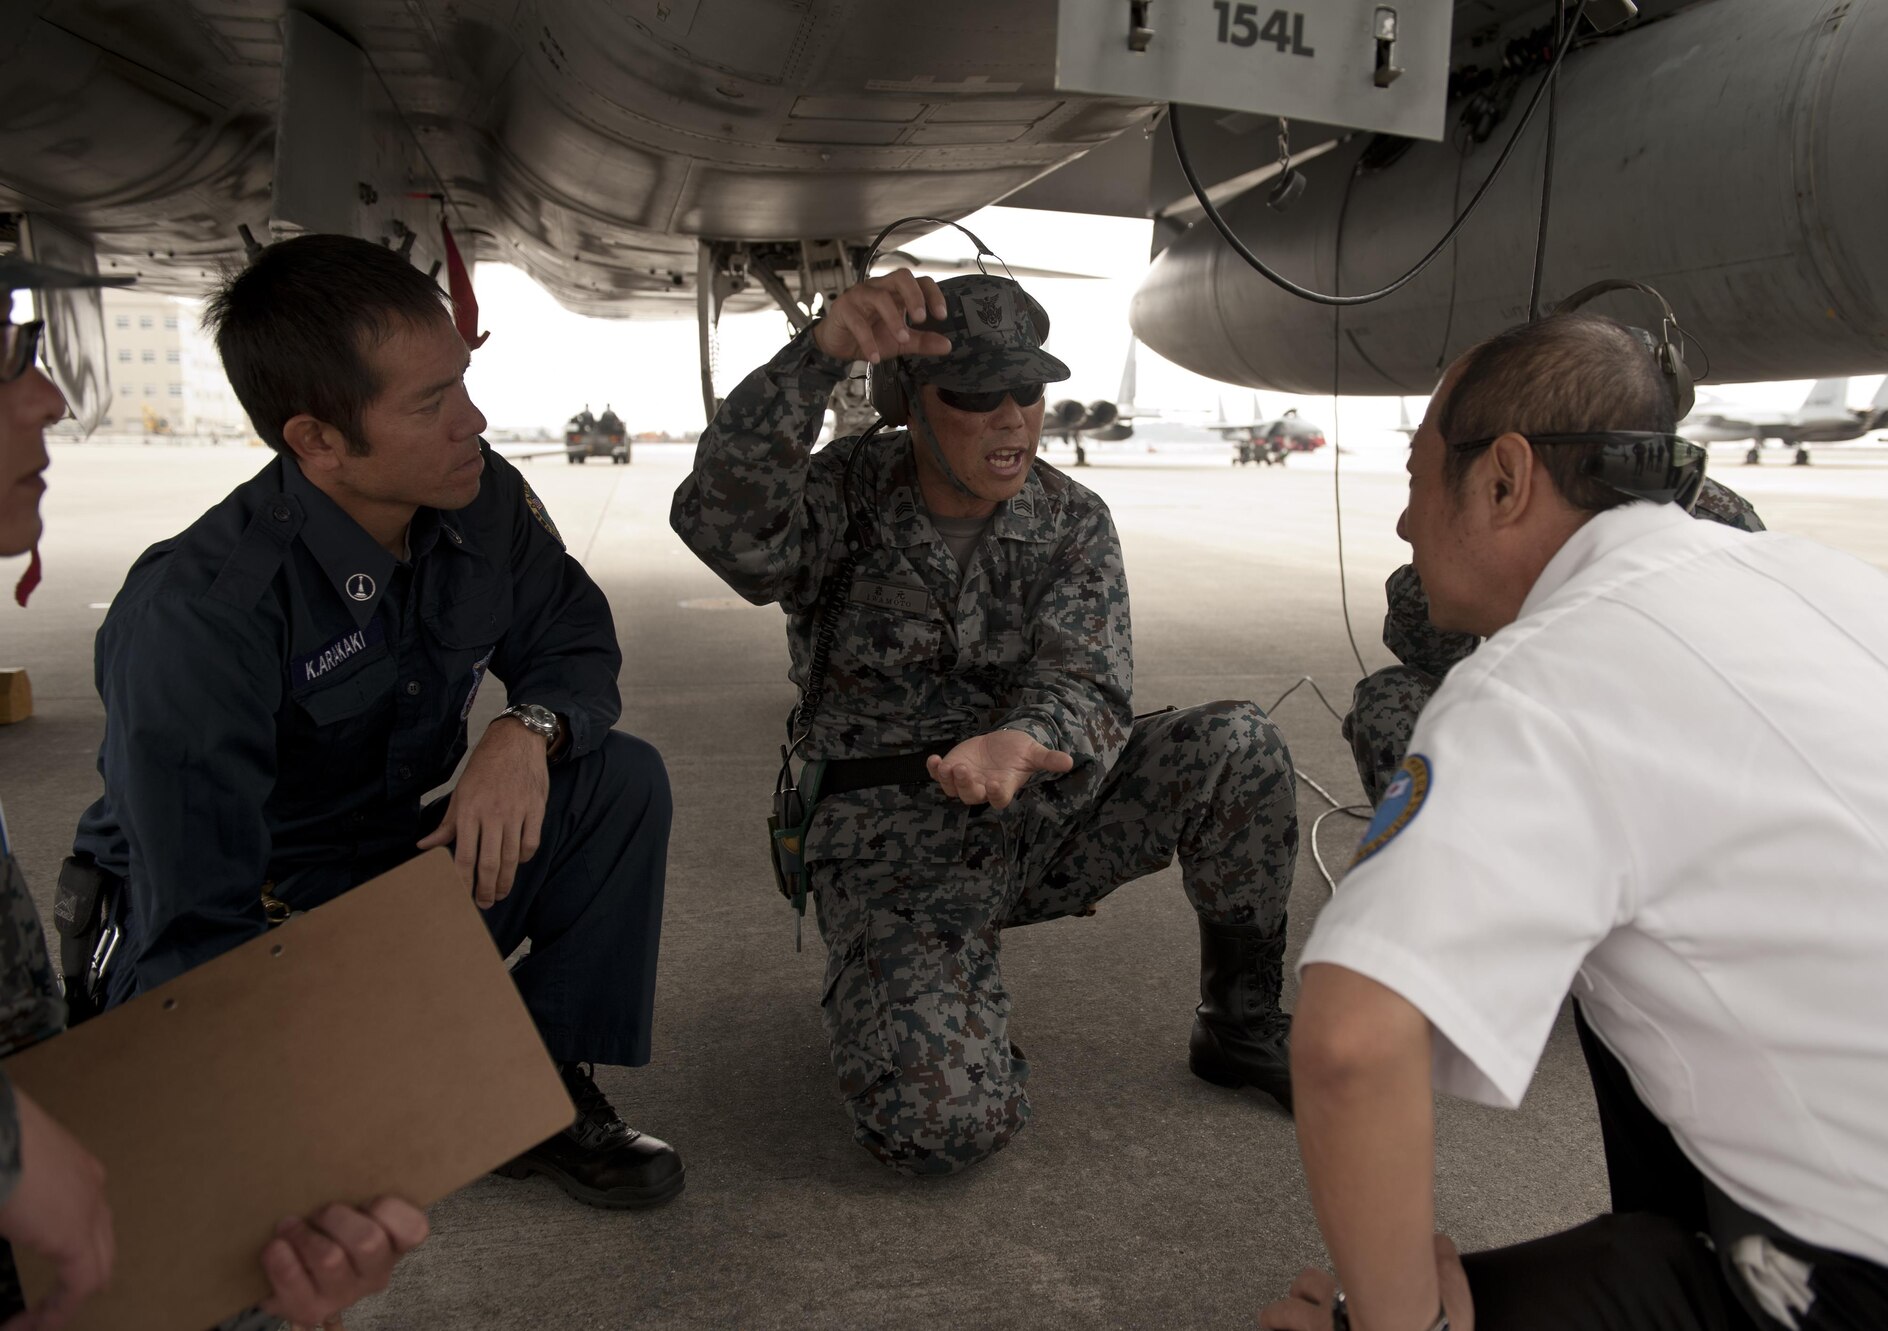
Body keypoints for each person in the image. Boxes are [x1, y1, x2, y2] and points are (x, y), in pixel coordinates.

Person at [1261, 312, 1888, 1331]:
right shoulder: (1821, 579)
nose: (1401, 523)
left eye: (1413, 476)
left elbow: (1348, 1042)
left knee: (1344, 1317)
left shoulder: (1536, 677)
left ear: (1504, 479)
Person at [66, 234, 683, 1211]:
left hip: (379, 871)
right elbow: (195, 906)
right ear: (315, 439)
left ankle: (528, 1087)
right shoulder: (202, 609)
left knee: (616, 781)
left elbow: (574, 642)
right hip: (232, 919)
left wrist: (523, 730)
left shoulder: (481, 506)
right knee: (229, 1183)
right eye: (429, 404)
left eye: (463, 384)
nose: (472, 421)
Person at [672, 268, 1299, 1175]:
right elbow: (722, 528)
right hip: (895, 846)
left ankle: (1238, 1022)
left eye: (1030, 390)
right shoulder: (840, 497)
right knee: (941, 1129)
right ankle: (924, 996)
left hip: (1033, 811)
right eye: (975, 393)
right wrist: (815, 358)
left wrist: (1021, 739)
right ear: (908, 400)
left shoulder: (1071, 518)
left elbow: (1089, 675)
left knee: (1237, 744)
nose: (1012, 418)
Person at [1, 254, 426, 1331]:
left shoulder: (458, 516)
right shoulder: (199, 607)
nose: (49, 393)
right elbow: (192, 906)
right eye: (7, 355)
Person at [1343, 475, 1765, 806]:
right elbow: (1429, 654)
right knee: (1392, 699)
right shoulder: (1515, 494)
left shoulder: (1708, 513)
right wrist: (1444, 565)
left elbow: (1758, 659)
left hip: (1672, 738)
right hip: (1547, 720)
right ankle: (1441, 875)